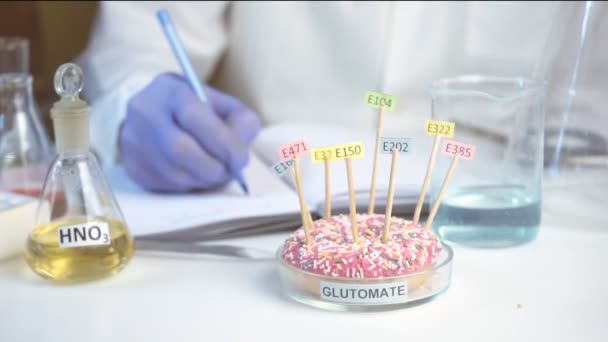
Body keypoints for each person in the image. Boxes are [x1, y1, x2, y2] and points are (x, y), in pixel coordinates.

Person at [77, 1, 597, 193]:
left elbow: (592, 118)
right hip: (263, 202)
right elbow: (139, 42)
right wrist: (134, 105)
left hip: (504, 213)